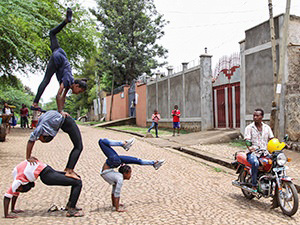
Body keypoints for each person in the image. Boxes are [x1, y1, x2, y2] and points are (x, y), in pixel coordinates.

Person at [31, 8, 87, 117]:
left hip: (60, 53)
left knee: (52, 33)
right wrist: (60, 111)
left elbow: (63, 97)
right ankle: (35, 102)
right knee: (46, 80)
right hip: (58, 58)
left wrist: (62, 110)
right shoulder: (67, 81)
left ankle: (66, 21)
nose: (77, 93)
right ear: (76, 85)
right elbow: (58, 95)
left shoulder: (69, 84)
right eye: (79, 91)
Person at [98, 138, 165, 212]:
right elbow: (116, 193)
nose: (130, 175)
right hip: (112, 163)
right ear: (125, 173)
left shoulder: (117, 177)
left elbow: (113, 192)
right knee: (101, 142)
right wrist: (117, 208)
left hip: (111, 164)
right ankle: (124, 144)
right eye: (130, 173)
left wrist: (115, 204)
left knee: (136, 160)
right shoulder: (119, 178)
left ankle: (154, 163)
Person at [3, 160, 83, 218]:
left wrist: (10, 211)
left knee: (77, 179)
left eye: (20, 190)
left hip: (48, 172)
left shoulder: (18, 180)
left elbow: (9, 195)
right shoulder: (18, 179)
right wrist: (10, 211)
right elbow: (12, 194)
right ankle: (71, 210)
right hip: (47, 175)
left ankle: (70, 205)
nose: (18, 190)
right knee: (77, 182)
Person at [26, 110, 83, 180]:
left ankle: (69, 170)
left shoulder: (41, 128)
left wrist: (61, 112)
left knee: (78, 147)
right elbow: (31, 141)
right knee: (78, 147)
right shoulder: (41, 128)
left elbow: (31, 140)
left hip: (67, 121)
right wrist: (28, 157)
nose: (38, 139)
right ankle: (69, 170)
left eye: (41, 139)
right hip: (62, 121)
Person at [244, 108, 274, 192]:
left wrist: (280, 145)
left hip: (265, 152)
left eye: (257, 115)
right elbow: (247, 140)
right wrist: (250, 147)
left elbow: (272, 139)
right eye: (254, 115)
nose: (255, 117)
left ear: (262, 117)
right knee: (255, 163)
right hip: (253, 153)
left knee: (275, 162)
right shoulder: (249, 128)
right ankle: (254, 184)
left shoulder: (267, 127)